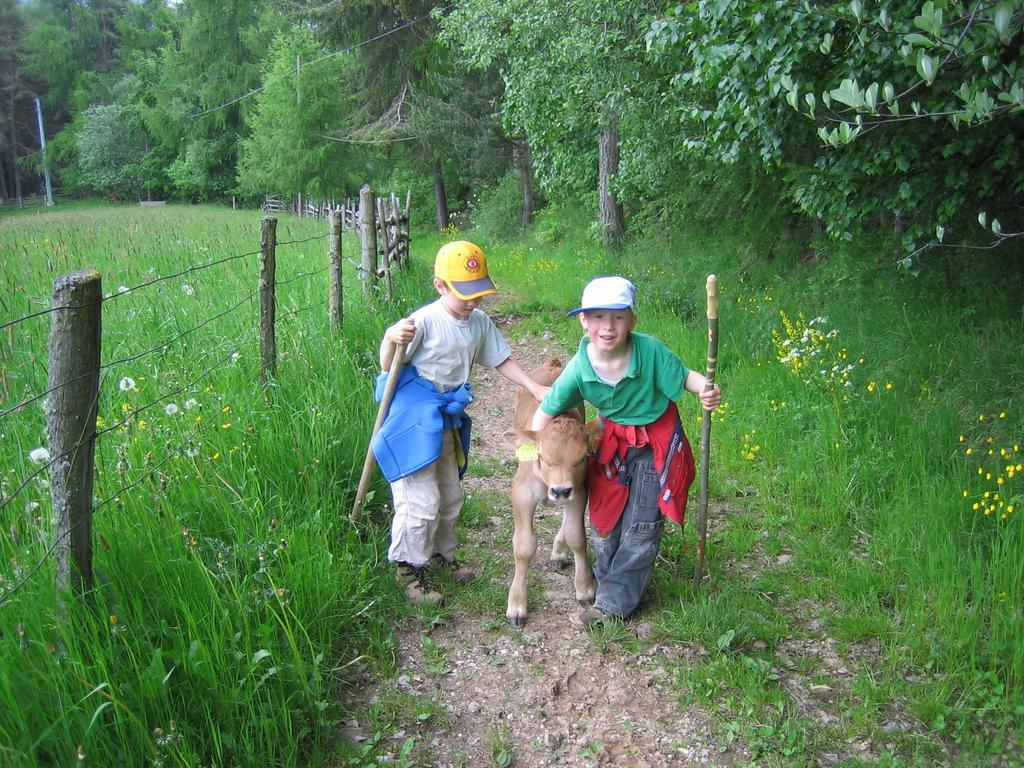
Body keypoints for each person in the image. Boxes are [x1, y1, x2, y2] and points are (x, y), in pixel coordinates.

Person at [528, 275, 721, 625]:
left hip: (654, 443)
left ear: (632, 320)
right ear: (584, 321)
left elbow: (685, 376)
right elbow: (544, 414)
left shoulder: (649, 351)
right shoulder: (580, 367)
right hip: (610, 443)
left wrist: (704, 389)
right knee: (605, 520)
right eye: (598, 317)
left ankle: (612, 605)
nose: (608, 326)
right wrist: (535, 460)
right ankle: (609, 575)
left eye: (617, 316)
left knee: (642, 523)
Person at [374, 240, 548, 605]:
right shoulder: (422, 321)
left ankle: (441, 556)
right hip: (413, 420)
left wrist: (534, 386)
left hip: (444, 419)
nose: (472, 301)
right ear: (440, 285)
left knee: (450, 494)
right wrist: (391, 339)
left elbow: (500, 359)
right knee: (419, 497)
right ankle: (409, 567)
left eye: (479, 293)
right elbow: (389, 367)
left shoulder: (479, 322)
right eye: (464, 293)